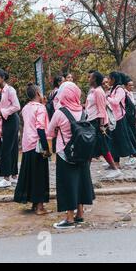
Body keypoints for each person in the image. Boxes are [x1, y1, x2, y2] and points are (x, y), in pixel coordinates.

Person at [47, 82, 95, 229]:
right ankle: (80, 214)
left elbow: (49, 133)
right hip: (82, 153)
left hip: (65, 155)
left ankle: (69, 219)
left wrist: (50, 152)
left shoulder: (60, 112)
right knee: (80, 183)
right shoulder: (82, 111)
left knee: (67, 185)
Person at [14, 83, 51, 215]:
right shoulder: (40, 108)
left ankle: (34, 204)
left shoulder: (25, 108)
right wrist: (46, 147)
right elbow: (40, 127)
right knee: (40, 175)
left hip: (27, 144)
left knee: (32, 175)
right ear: (37, 94)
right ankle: (40, 207)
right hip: (37, 145)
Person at [107, 72, 136, 169]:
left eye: (110, 79)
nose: (108, 80)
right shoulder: (113, 89)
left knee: (125, 140)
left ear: (114, 79)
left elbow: (116, 102)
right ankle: (116, 163)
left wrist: (107, 97)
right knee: (114, 141)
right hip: (114, 119)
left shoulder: (120, 90)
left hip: (120, 119)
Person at [86, 71, 120, 177]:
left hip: (97, 122)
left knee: (102, 146)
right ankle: (85, 171)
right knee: (91, 146)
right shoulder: (93, 91)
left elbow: (102, 109)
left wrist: (101, 125)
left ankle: (115, 169)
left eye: (90, 77)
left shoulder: (98, 92)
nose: (88, 79)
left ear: (95, 79)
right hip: (91, 121)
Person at [0, 69, 21, 189]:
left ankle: (6, 178)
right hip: (6, 120)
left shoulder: (10, 90)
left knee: (6, 149)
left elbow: (17, 106)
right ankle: (14, 176)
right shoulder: (1, 91)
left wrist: (2, 112)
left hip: (11, 120)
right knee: (12, 148)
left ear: (3, 78)